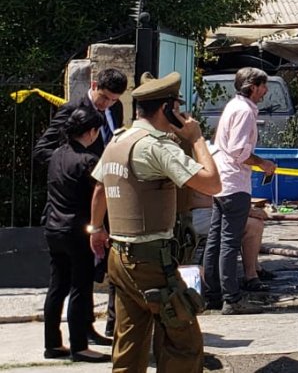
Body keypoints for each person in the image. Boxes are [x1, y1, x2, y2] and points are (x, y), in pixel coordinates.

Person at [88, 71, 222, 373]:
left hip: (119, 256)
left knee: (130, 341)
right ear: (167, 110)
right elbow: (212, 184)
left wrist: (96, 228)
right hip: (150, 260)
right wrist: (197, 138)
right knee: (182, 341)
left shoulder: (118, 140)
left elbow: (99, 190)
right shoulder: (156, 146)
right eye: (177, 108)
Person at [33, 66, 127, 343]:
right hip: (78, 203)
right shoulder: (74, 111)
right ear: (95, 84)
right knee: (76, 278)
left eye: (113, 100)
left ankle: (108, 324)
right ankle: (79, 335)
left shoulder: (116, 109)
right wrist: (73, 168)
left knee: (107, 264)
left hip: (105, 198)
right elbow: (42, 150)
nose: (107, 104)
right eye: (104, 97)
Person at [201, 67, 276, 314]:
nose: (265, 91)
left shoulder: (234, 107)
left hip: (223, 182)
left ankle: (212, 294)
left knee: (216, 241)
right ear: (252, 86)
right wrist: (262, 163)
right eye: (263, 86)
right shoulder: (244, 111)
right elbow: (238, 151)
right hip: (234, 183)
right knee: (229, 242)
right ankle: (231, 299)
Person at [41, 107, 112, 363]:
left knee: (57, 286)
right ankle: (80, 345)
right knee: (80, 287)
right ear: (92, 132)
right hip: (77, 229)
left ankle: (52, 343)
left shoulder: (57, 155)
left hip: (54, 227)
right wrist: (97, 227)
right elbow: (99, 192)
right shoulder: (88, 160)